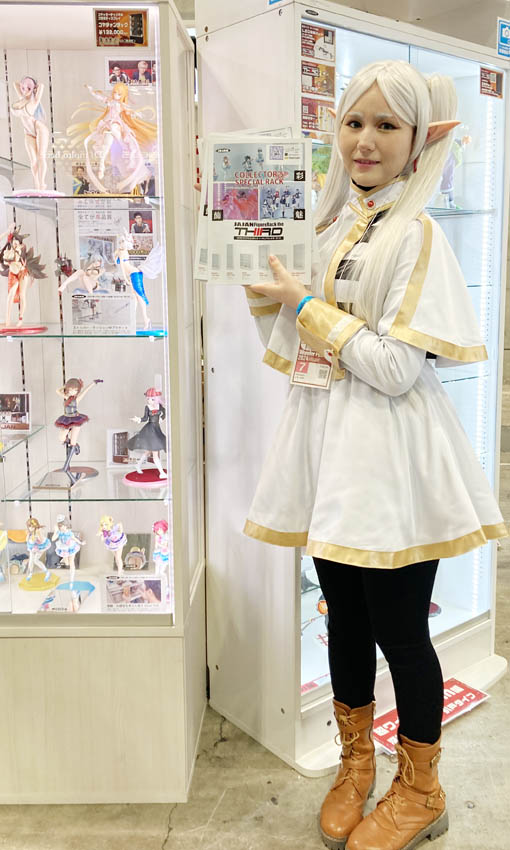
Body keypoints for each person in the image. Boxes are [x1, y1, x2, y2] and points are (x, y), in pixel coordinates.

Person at [242, 60, 507, 850]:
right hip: (330, 451)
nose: (365, 140)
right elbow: (300, 348)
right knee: (344, 622)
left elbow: (394, 368)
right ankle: (355, 765)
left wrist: (305, 305)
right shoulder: (333, 225)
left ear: (418, 140)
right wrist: (259, 282)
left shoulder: (417, 235)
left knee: (400, 630)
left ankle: (421, 790)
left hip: (391, 463)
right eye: (354, 122)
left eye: (386, 125)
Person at [11, 76, 49, 191]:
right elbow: (15, 83)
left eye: (29, 88)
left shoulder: (35, 100)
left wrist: (34, 87)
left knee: (41, 156)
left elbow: (42, 85)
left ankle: (42, 183)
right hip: (28, 132)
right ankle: (37, 184)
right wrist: (25, 85)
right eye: (23, 88)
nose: (25, 90)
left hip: (39, 128)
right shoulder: (22, 98)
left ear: (33, 88)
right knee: (33, 161)